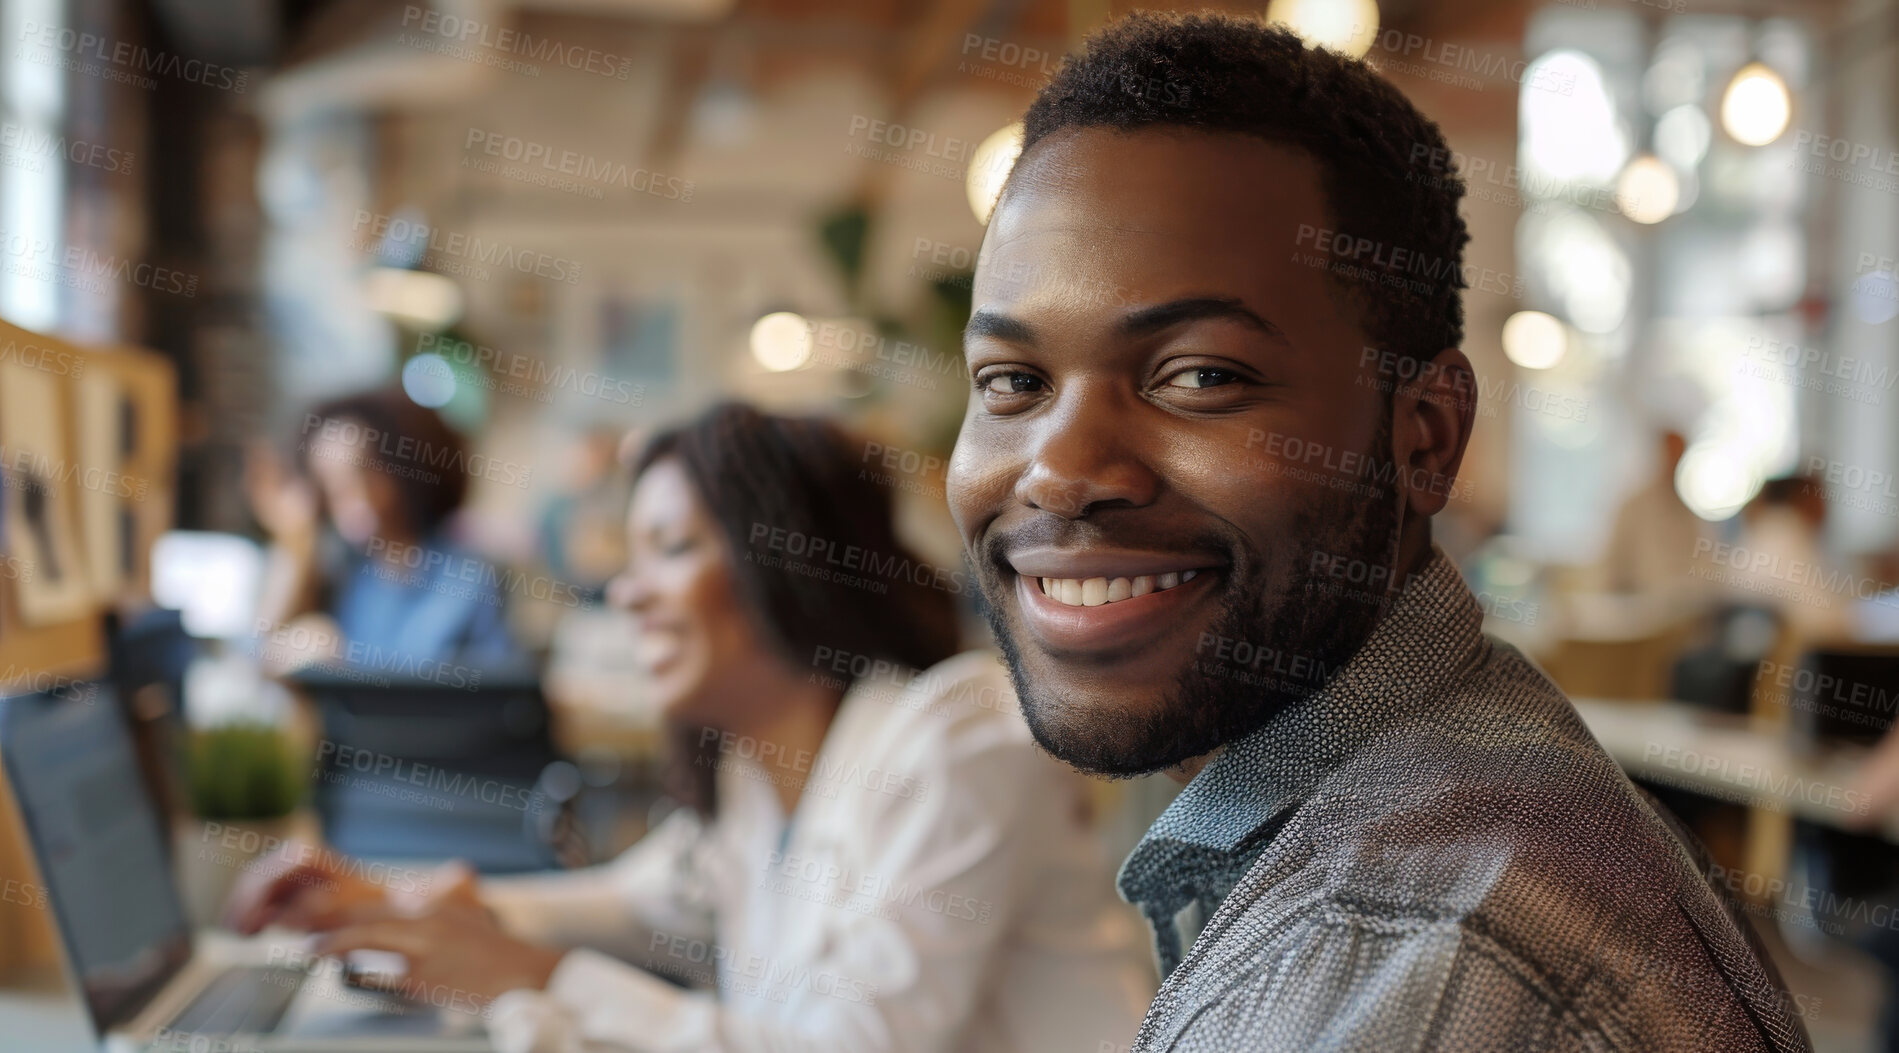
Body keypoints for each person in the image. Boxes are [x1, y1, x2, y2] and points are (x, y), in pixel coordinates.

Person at [944, 13, 1810, 1052]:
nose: (1060, 471)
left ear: (1425, 436)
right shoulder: (1394, 830)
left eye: (1202, 376)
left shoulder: (1413, 954)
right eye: (1013, 382)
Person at [227, 402, 1153, 1053]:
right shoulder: (759, 773)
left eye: (670, 549)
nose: (627, 592)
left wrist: (532, 978)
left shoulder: (960, 738)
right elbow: (632, 901)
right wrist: (382, 901)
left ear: (783, 564)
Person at [246, 389, 523, 670]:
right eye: (331, 485)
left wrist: (346, 657)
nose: (353, 497)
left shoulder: (468, 579)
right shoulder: (337, 570)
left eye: (364, 473)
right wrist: (296, 541)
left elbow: (497, 687)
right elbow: (255, 652)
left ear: (401, 470)